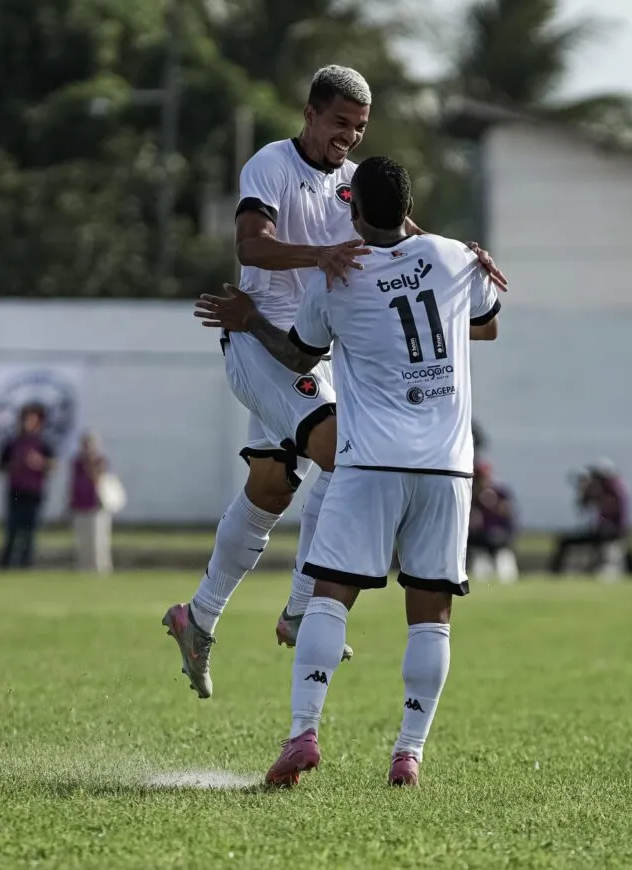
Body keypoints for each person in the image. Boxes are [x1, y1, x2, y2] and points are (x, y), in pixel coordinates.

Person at [163, 64, 506, 700]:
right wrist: (316, 255)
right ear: (311, 115)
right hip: (265, 344)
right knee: (348, 456)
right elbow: (250, 245)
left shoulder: (354, 185)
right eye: (340, 123)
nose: (348, 137)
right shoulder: (271, 165)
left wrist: (465, 260)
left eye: (359, 127)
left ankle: (197, 617)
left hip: (314, 356)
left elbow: (413, 238)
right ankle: (299, 609)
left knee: (269, 490)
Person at [212, 156, 502, 786]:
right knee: (431, 613)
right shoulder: (455, 257)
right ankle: (408, 752)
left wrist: (249, 319)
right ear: (409, 202)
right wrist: (469, 267)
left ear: (351, 208)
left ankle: (303, 735)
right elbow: (489, 324)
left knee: (328, 600)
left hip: (369, 462)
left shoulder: (337, 279)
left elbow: (297, 353)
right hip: (449, 469)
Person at [548, 459, 632, 575]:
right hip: (610, 532)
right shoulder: (616, 487)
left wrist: (591, 492)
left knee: (564, 542)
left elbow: (595, 504)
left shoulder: (612, 489)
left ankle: (555, 572)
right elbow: (584, 505)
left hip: (610, 533)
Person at [0, 404, 55, 569]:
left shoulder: (43, 443)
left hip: (34, 492)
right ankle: (7, 563)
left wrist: (39, 463)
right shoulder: (12, 443)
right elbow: (2, 466)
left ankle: (26, 564)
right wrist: (14, 465)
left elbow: (52, 465)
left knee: (30, 530)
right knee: (12, 529)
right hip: (16, 491)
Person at [69, 431, 113, 575]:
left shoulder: (99, 460)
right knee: (83, 541)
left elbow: (97, 479)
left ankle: (101, 569)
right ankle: (84, 568)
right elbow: (73, 482)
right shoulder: (77, 461)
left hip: (96, 506)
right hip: (80, 505)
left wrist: (90, 462)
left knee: (98, 542)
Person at [468, 461, 518, 582]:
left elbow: (510, 515)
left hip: (499, 534)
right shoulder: (470, 494)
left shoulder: (500, 493)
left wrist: (494, 504)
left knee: (498, 544)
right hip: (478, 536)